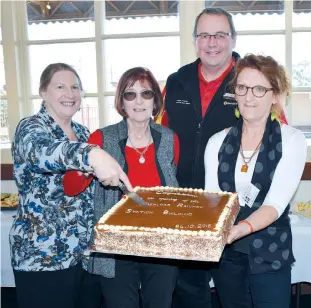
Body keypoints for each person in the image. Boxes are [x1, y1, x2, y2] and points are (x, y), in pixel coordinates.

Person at [10, 63, 132, 308]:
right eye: (60, 86)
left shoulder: (82, 131)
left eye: (75, 87)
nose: (70, 93)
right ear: (43, 92)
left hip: (84, 255)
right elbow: (42, 152)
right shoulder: (31, 128)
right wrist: (91, 155)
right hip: (43, 257)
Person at [63, 67, 179, 308]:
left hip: (160, 245)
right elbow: (70, 186)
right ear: (121, 102)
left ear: (155, 100)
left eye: (146, 94)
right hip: (117, 249)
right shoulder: (100, 139)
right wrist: (89, 167)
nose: (139, 101)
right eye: (130, 94)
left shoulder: (169, 139)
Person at [204, 54, 307, 308]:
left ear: (275, 95)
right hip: (227, 254)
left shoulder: (291, 140)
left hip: (270, 250)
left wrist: (239, 229)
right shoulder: (217, 142)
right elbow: (212, 200)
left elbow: (275, 204)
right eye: (242, 87)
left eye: (259, 89)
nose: (249, 97)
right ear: (235, 93)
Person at [156, 8, 240, 308]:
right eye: (205, 35)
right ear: (195, 41)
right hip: (186, 205)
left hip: (234, 206)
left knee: (236, 290)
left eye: (220, 35)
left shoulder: (251, 80)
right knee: (190, 290)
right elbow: (157, 136)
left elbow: (275, 134)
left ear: (233, 38)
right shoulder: (176, 81)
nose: (212, 43)